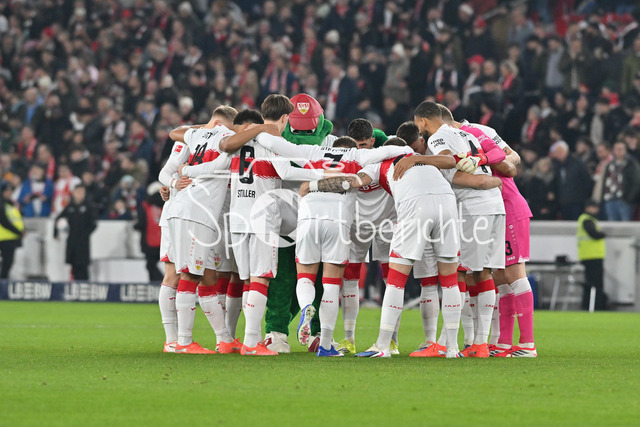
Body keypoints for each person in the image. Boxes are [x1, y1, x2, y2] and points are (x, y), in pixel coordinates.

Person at [253, 133, 412, 356]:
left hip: (308, 218)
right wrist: (410, 155)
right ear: (350, 147)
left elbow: (273, 142)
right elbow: (398, 150)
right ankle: (326, 345)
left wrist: (258, 131)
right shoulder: (357, 155)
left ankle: (306, 306)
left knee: (304, 277)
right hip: (337, 221)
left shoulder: (312, 151)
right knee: (331, 284)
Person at [54, 185, 97, 281]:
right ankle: (75, 284)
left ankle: (84, 284)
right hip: (72, 239)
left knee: (83, 265)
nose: (79, 194)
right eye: (77, 192)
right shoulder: (70, 206)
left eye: (82, 192)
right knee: (73, 264)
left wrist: (85, 235)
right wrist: (56, 233)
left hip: (83, 241)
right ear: (73, 193)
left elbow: (94, 224)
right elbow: (58, 219)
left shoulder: (89, 206)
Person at [577, 201, 607, 310]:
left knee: (589, 283)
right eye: (595, 207)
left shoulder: (584, 219)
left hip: (588, 256)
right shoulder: (587, 219)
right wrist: (602, 234)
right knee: (596, 284)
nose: (597, 210)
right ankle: (596, 306)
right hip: (592, 256)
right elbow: (593, 233)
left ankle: (588, 305)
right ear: (589, 207)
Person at [600, 141, 640, 221]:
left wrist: (629, 198)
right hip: (610, 199)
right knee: (611, 223)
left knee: (625, 223)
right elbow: (604, 182)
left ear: (625, 150)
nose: (618, 151)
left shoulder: (631, 164)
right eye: (616, 149)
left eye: (620, 149)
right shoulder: (609, 165)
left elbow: (636, 182)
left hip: (623, 200)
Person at [135, 182, 165, 282]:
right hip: (165, 241)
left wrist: (135, 226)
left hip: (149, 242)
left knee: (150, 265)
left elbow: (141, 223)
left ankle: (157, 283)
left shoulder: (145, 205)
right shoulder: (168, 204)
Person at [0, 181, 24, 279]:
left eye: (10, 191)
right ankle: (2, 282)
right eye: (7, 191)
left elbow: (16, 219)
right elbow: (4, 221)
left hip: (11, 238)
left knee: (8, 262)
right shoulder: (2, 204)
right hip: (4, 237)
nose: (9, 193)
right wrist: (18, 232)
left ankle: (4, 281)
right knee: (6, 263)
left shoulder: (10, 204)